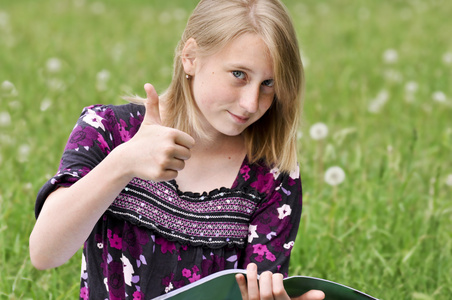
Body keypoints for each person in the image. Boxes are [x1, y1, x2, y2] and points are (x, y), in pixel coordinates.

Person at [29, 0, 325, 299]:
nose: (251, 103)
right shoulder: (107, 129)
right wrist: (124, 163)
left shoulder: (271, 175)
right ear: (191, 57)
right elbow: (44, 253)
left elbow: (256, 288)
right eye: (239, 74)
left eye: (268, 83)